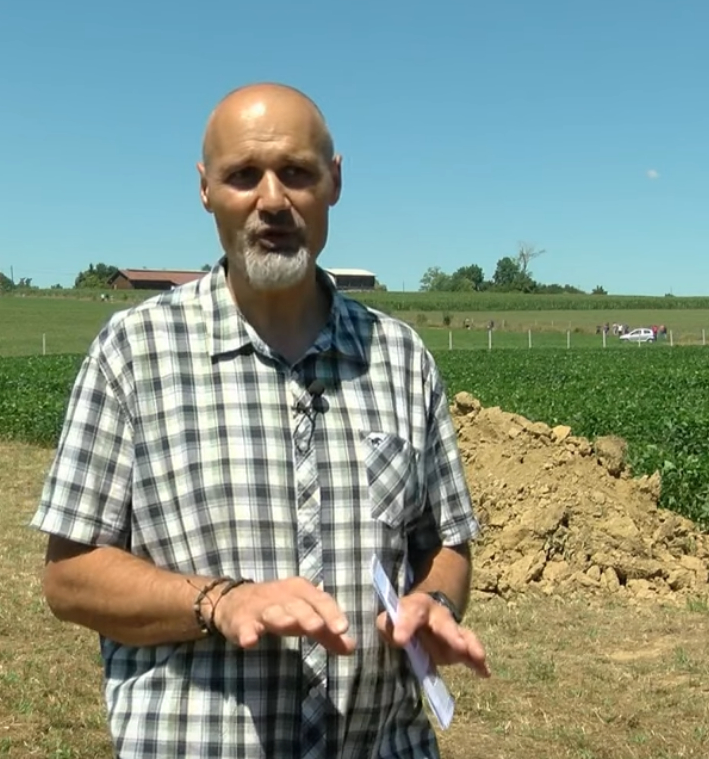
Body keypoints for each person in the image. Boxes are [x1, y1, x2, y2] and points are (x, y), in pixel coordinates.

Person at [29, 82, 489, 759]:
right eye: (243, 175)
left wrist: (435, 604)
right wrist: (220, 602)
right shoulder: (134, 352)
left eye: (296, 172)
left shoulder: (400, 358)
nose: (272, 199)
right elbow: (69, 578)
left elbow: (445, 544)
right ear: (205, 189)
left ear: (334, 181)